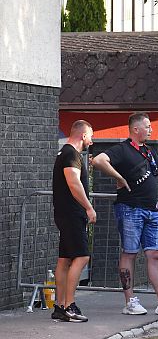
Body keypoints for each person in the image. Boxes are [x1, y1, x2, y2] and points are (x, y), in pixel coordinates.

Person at [91, 113, 158, 317]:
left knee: (154, 254)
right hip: (131, 208)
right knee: (129, 253)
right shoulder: (122, 149)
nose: (151, 130)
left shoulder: (149, 152)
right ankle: (130, 300)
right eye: (148, 127)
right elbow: (98, 160)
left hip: (151, 209)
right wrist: (119, 177)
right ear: (136, 129)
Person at [50, 120, 96, 323]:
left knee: (65, 258)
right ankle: (69, 305)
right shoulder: (71, 154)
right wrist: (88, 207)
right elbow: (73, 182)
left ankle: (59, 306)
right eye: (91, 136)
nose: (92, 141)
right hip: (71, 214)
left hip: (64, 212)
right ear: (83, 135)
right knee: (82, 256)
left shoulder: (65, 153)